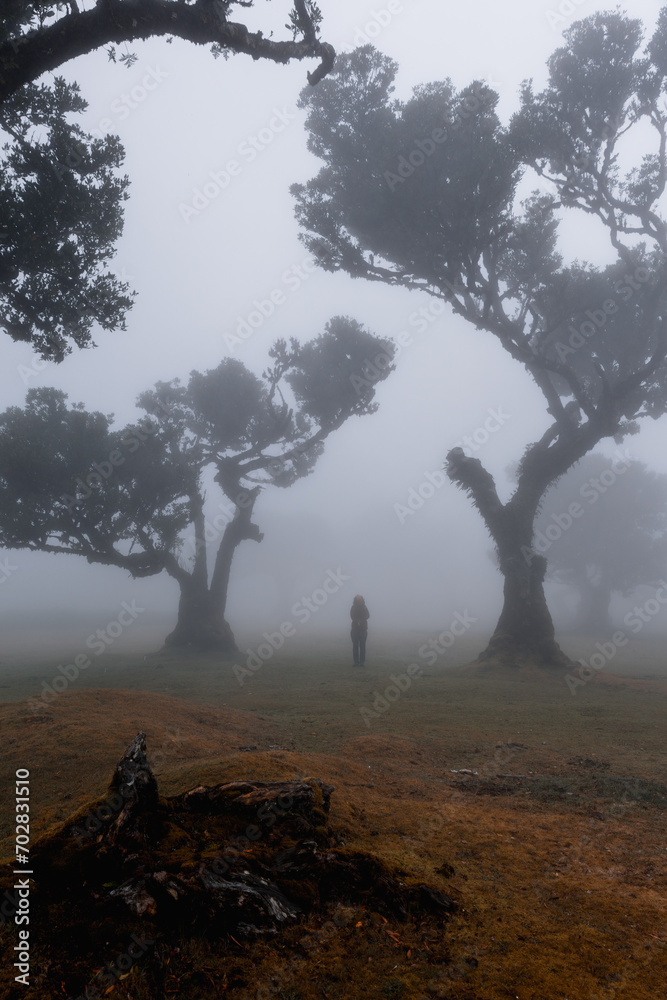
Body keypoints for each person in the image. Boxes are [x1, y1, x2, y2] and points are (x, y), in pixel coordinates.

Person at [350, 594, 370, 666]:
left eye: (360, 599)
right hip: (355, 629)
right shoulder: (353, 607)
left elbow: (367, 615)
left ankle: (362, 662)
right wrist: (357, 621)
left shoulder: (364, 607)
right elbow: (352, 616)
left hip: (363, 629)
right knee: (355, 646)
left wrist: (361, 621)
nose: (359, 601)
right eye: (358, 599)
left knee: (362, 646)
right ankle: (356, 662)